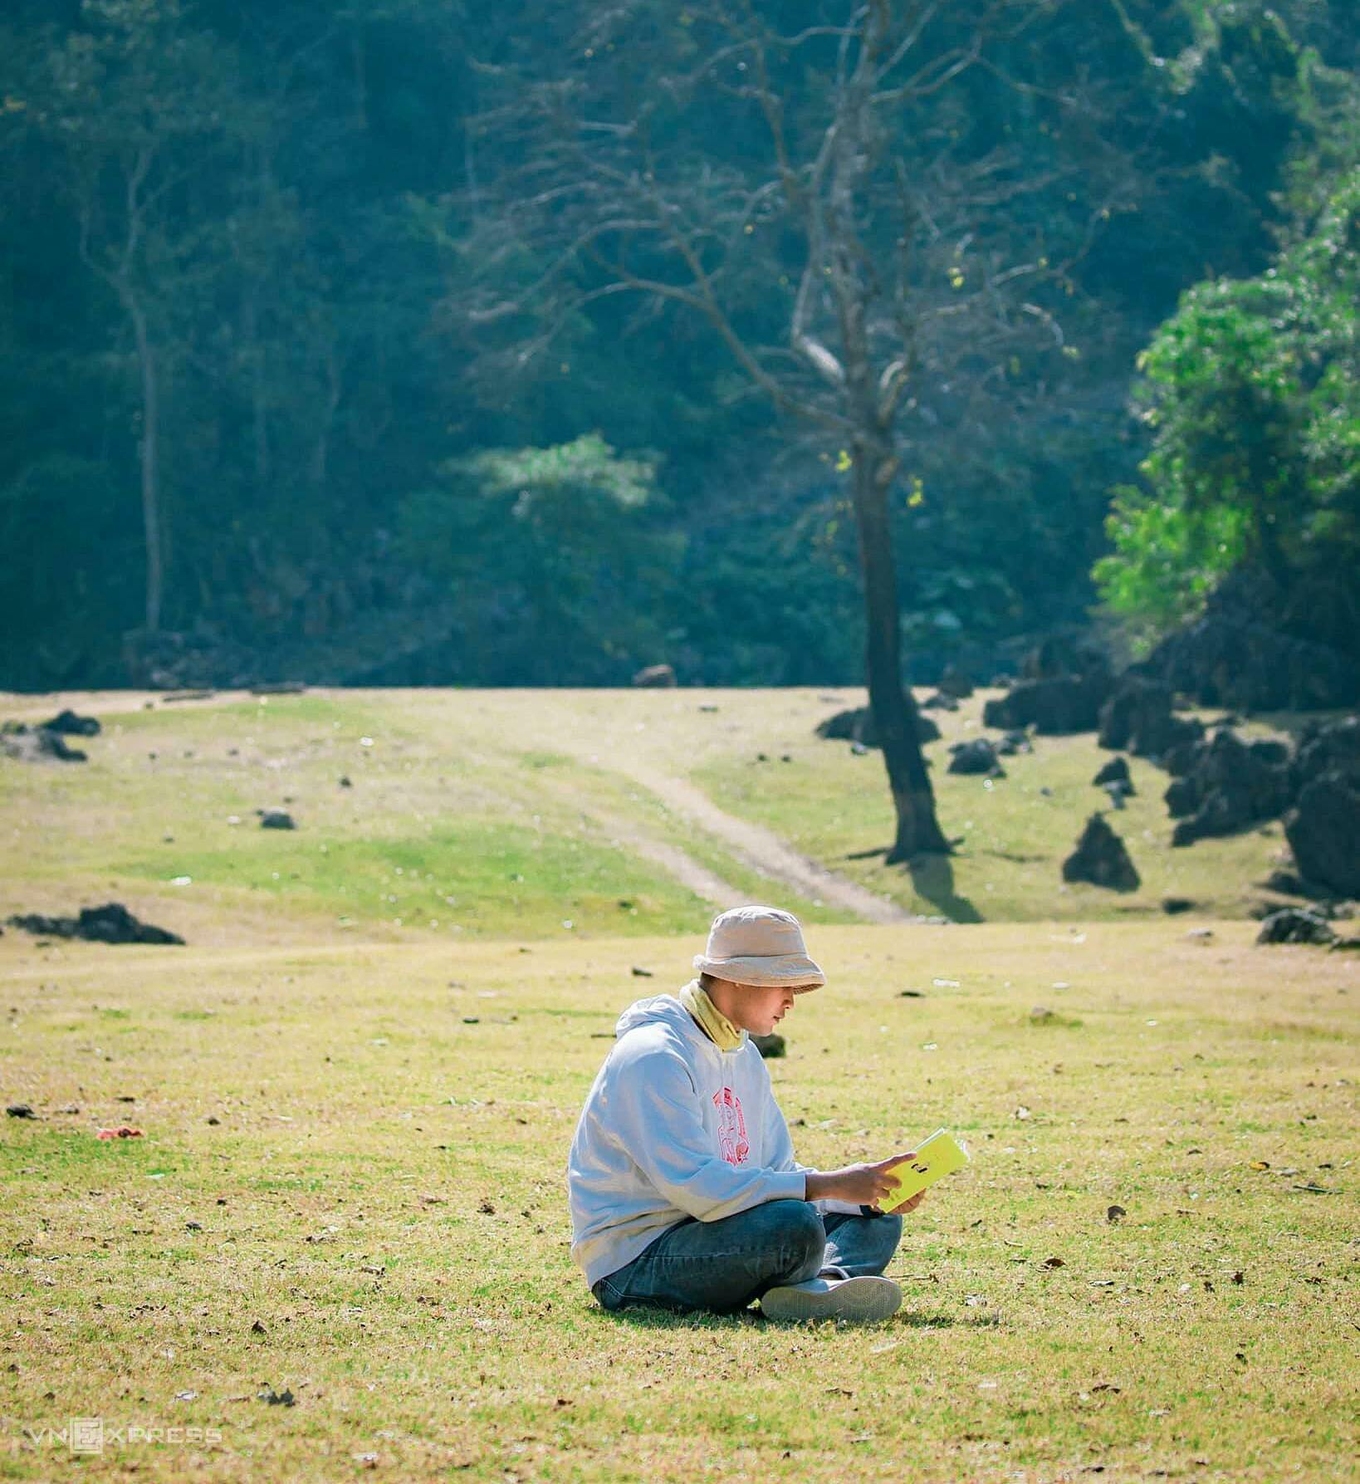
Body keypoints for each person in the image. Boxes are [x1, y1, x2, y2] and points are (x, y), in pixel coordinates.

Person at [567, 904, 925, 1322]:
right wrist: (833, 1185)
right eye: (784, 984)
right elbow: (699, 1190)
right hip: (639, 1259)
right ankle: (812, 1283)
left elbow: (775, 1170)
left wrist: (865, 1193)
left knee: (877, 1218)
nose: (792, 1000)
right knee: (793, 1225)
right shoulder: (653, 1055)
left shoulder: (744, 1055)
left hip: (724, 1230)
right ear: (738, 978)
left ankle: (823, 1286)